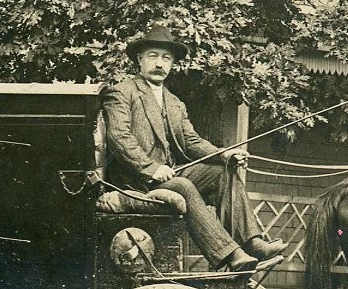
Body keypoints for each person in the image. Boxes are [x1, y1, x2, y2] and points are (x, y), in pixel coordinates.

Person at [102, 24, 287, 269]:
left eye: (166, 58)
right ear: (139, 59)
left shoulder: (174, 102)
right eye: (153, 56)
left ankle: (252, 243)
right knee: (183, 185)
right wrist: (152, 168)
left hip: (168, 176)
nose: (159, 64)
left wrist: (224, 155)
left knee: (222, 174)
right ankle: (231, 256)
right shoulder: (122, 92)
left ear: (172, 64)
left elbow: (191, 141)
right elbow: (119, 137)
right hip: (135, 182)